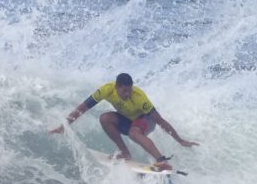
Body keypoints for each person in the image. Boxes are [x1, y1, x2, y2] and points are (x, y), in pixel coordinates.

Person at [50, 73, 198, 170]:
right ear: (116, 87)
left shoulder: (139, 97)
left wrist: (180, 140)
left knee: (134, 133)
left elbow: (159, 121)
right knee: (105, 118)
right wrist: (64, 126)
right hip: (127, 120)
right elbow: (83, 107)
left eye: (129, 90)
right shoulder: (106, 90)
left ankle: (162, 161)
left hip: (144, 121)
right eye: (124, 91)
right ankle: (125, 153)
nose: (127, 94)